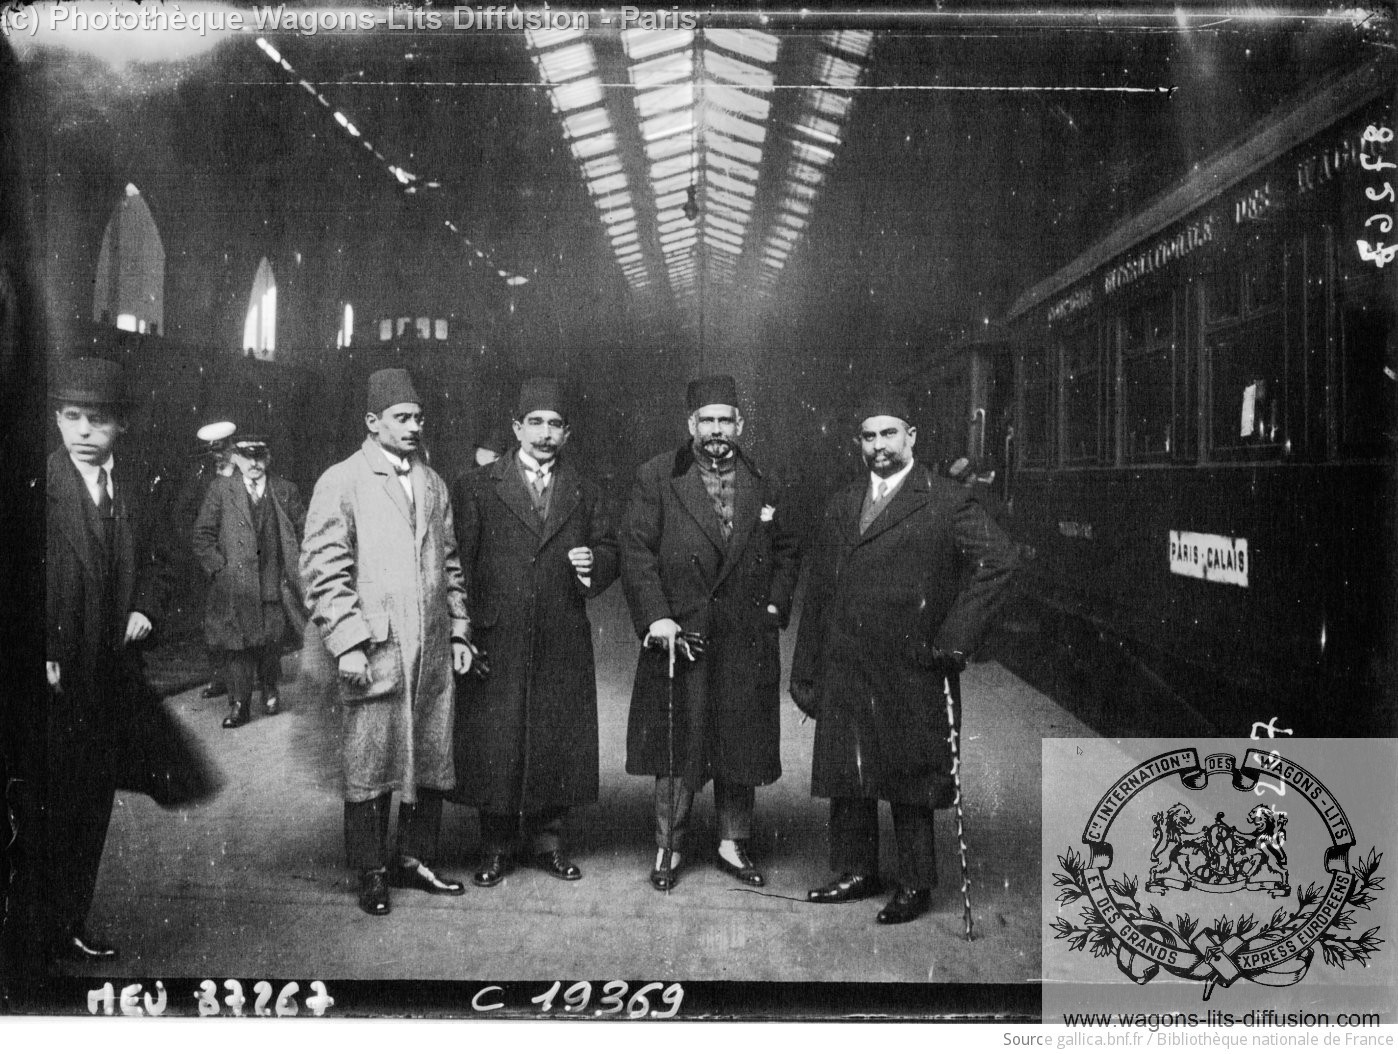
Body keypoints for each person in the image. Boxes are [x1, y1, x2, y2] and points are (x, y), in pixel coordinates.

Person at [791, 386, 1018, 925]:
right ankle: (855, 871)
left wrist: (954, 638)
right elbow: (820, 592)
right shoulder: (843, 503)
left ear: (910, 437)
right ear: (858, 443)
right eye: (868, 436)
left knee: (910, 775)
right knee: (851, 768)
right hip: (847, 661)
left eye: (889, 433)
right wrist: (805, 669)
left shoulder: (944, 498)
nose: (878, 445)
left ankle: (916, 884)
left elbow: (1000, 562)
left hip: (912, 663)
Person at [301, 368, 473, 916]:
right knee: (370, 761)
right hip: (377, 649)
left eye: (418, 417)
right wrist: (347, 641)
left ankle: (415, 860)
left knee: (429, 756)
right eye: (401, 417)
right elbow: (324, 569)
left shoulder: (433, 482)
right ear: (372, 423)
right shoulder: (342, 480)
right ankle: (371, 871)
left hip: (433, 649)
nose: (413, 426)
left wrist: (461, 628)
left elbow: (449, 563)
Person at [621, 374, 800, 891]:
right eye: (707, 421)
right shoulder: (657, 477)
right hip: (682, 635)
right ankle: (669, 846)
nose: (717, 430)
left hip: (746, 636)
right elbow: (635, 550)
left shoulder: (765, 479)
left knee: (739, 739)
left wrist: (773, 608)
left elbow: (789, 549)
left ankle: (731, 843)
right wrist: (656, 617)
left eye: (726, 420)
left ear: (740, 425)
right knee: (678, 744)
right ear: (690, 425)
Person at [449, 378, 620, 886]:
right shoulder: (477, 486)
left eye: (556, 425)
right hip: (496, 633)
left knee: (555, 739)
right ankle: (496, 846)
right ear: (517, 428)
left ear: (568, 433)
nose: (546, 434)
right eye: (536, 423)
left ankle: (549, 844)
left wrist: (595, 565)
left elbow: (609, 549)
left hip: (561, 630)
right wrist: (464, 631)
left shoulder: (586, 488)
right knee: (497, 742)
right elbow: (459, 561)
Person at [43, 357, 175, 960]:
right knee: (40, 801)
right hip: (50, 672)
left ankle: (68, 923)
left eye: (98, 420)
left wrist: (144, 604)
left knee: (89, 802)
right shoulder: (37, 486)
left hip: (106, 673)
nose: (83, 431)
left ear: (120, 426)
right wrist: (40, 646)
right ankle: (31, 930)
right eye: (71, 417)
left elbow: (159, 557)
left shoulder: (136, 487)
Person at [192, 432, 307, 729]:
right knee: (237, 645)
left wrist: (291, 568)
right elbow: (202, 536)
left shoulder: (284, 490)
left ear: (267, 458)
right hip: (236, 586)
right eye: (247, 456)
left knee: (271, 641)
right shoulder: (221, 489)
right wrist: (221, 570)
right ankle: (239, 704)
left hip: (271, 581)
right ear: (236, 458)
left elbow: (303, 531)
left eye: (259, 456)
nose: (254, 463)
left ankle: (270, 689)